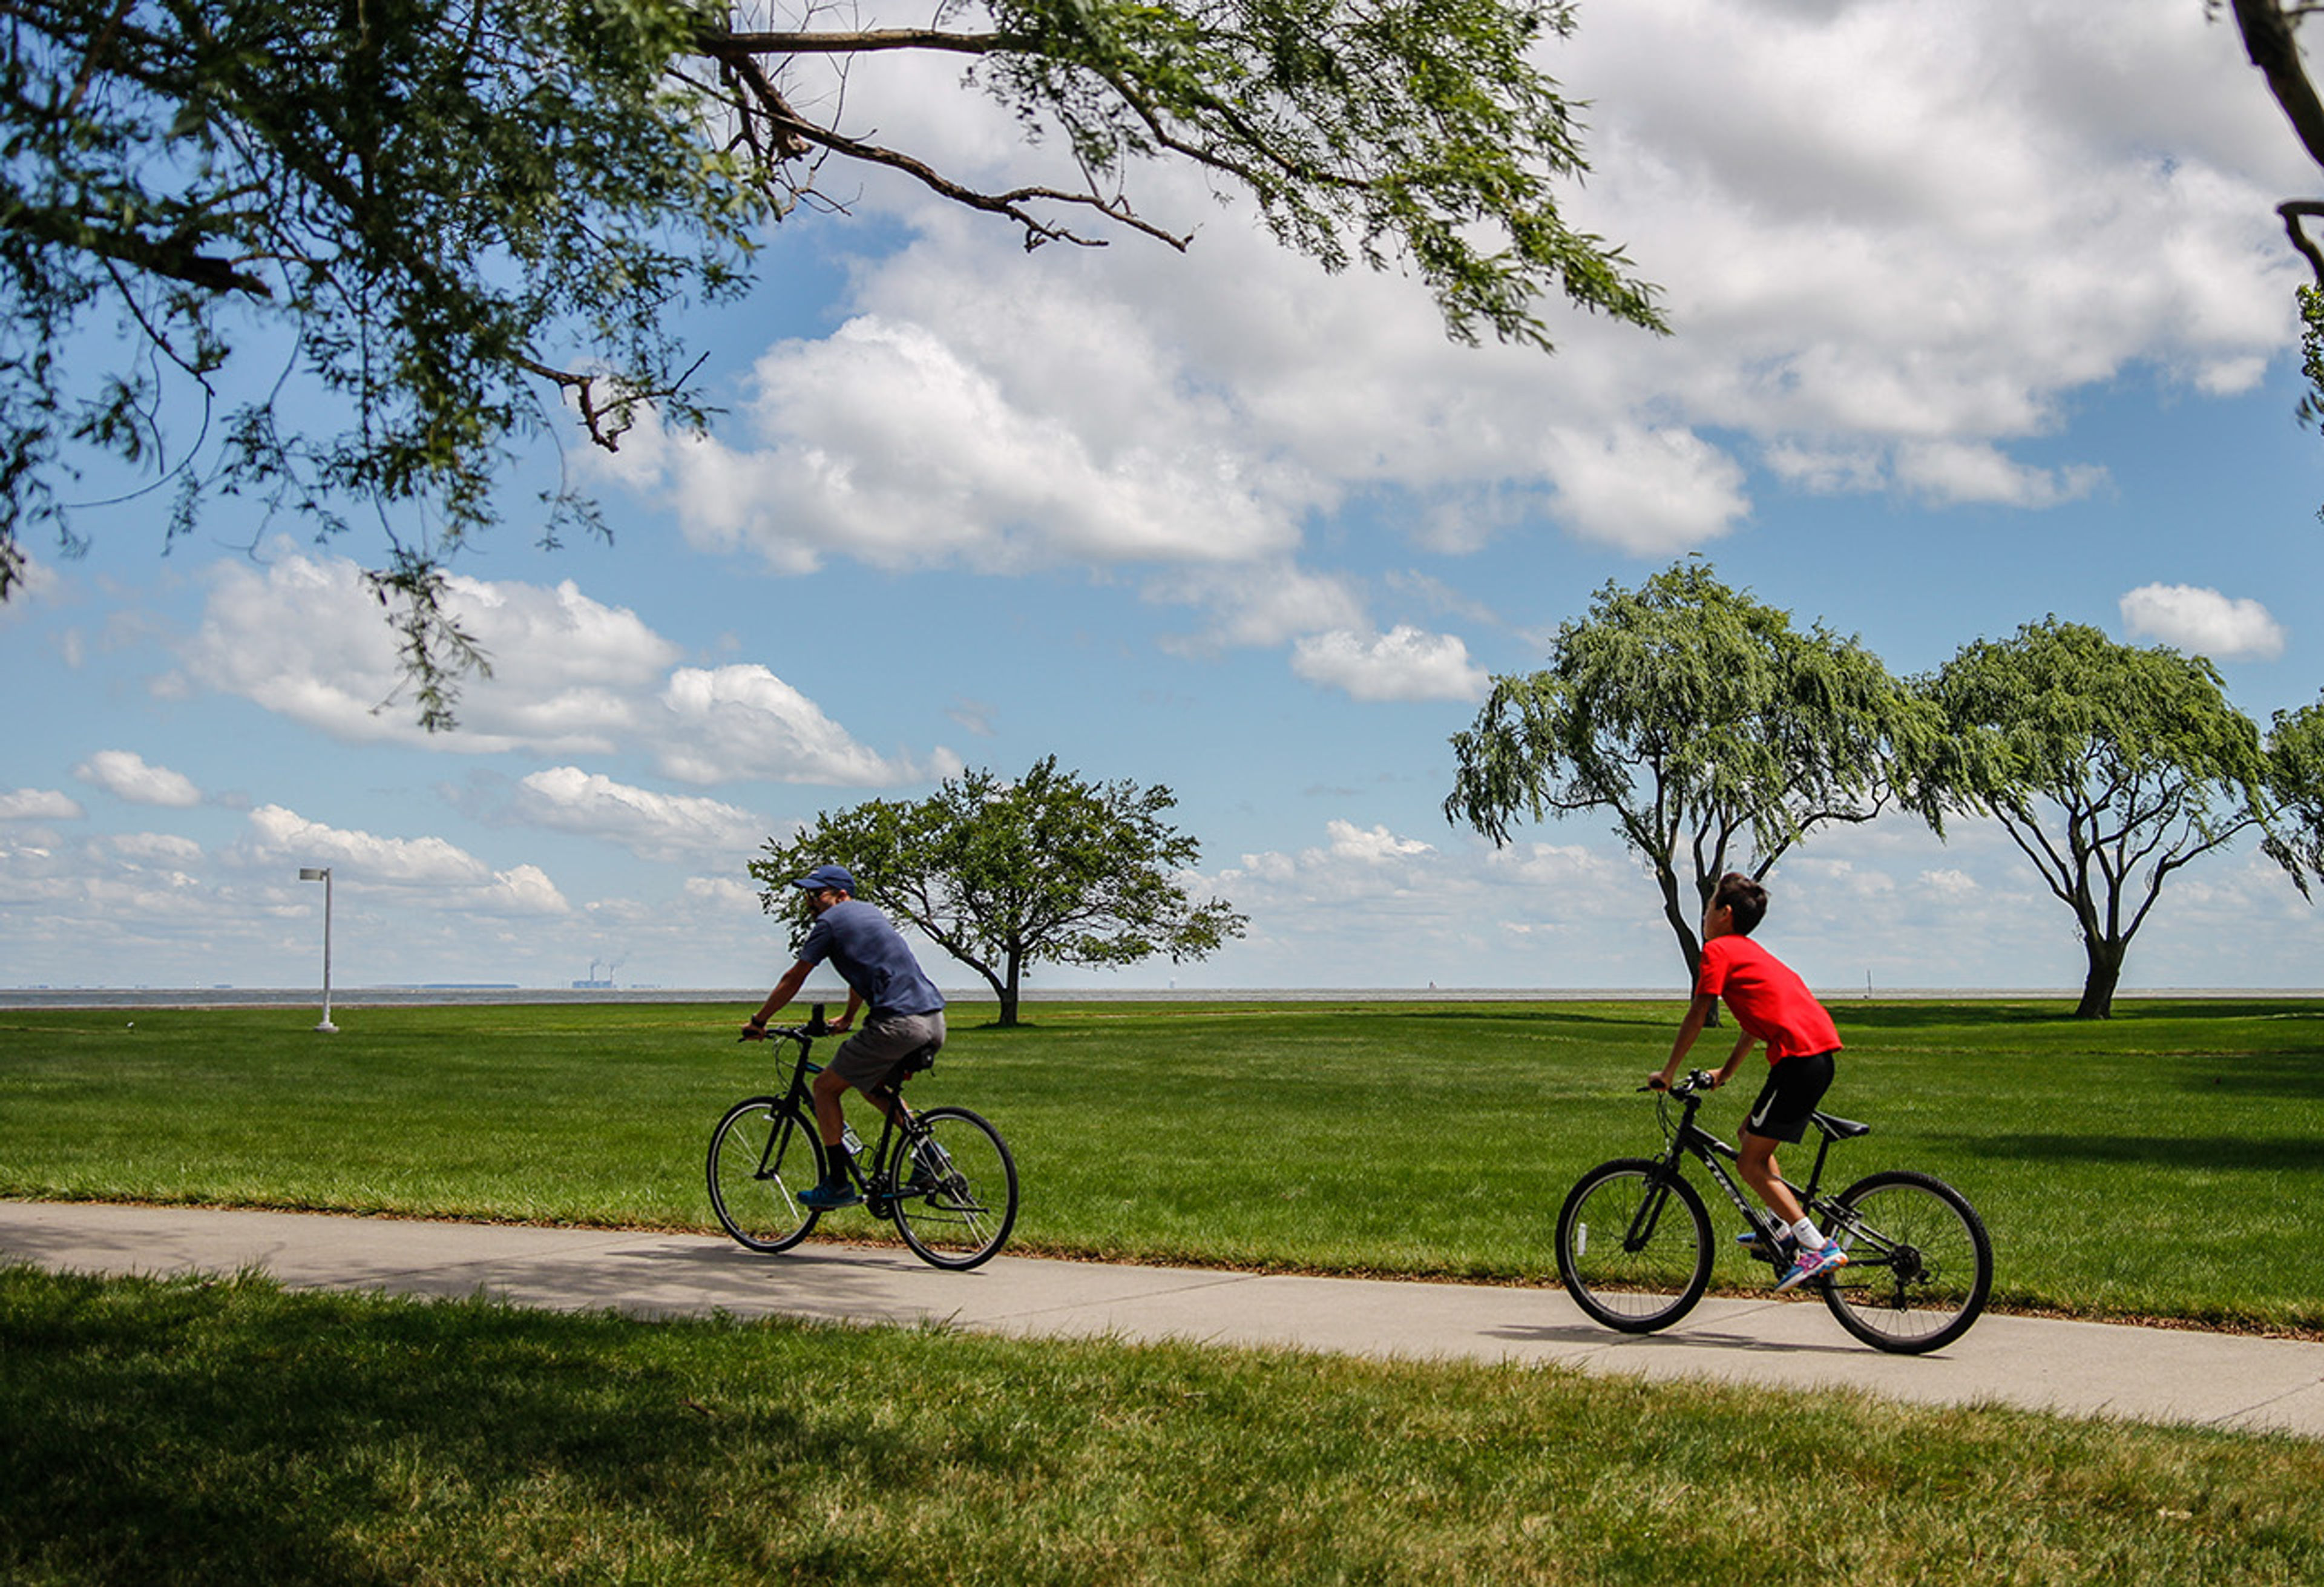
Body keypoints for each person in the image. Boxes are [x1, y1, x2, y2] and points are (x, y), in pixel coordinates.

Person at [1648, 871, 1848, 1293]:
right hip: (1813, 1057)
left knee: (1749, 1162)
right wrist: (1726, 1073)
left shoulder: (1719, 951)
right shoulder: (1753, 954)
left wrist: (1668, 1073)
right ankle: (1780, 1227)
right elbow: (1754, 1025)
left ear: (1724, 913)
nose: (1703, 917)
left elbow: (1699, 1012)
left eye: (1707, 908)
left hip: (1800, 1060)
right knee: (1748, 1136)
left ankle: (1815, 1245)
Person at [743, 864, 947, 1210]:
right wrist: (850, 1017)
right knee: (870, 1083)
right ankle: (930, 1153)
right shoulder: (870, 914)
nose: (811, 902)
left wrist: (759, 1020)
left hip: (897, 1024)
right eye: (808, 895)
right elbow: (864, 972)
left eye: (817, 894)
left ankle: (837, 1183)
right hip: (933, 1020)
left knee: (824, 1088)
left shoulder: (830, 923)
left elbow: (794, 977)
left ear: (841, 895)